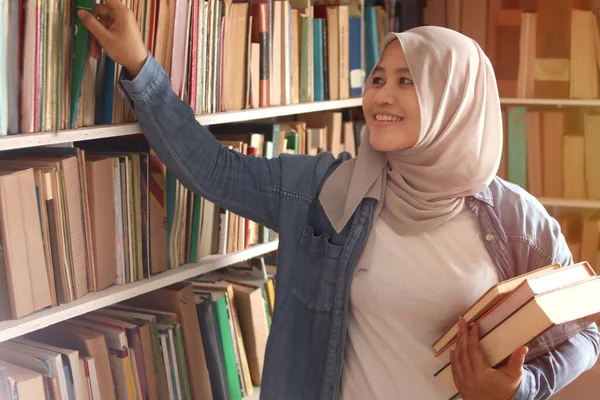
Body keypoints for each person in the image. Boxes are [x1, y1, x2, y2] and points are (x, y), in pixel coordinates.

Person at [78, 2, 600, 399]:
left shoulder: (515, 221)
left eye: (407, 82)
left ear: (454, 100)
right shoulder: (324, 189)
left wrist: (522, 388)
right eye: (377, 79)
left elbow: (585, 333)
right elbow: (213, 170)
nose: (381, 96)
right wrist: (138, 65)